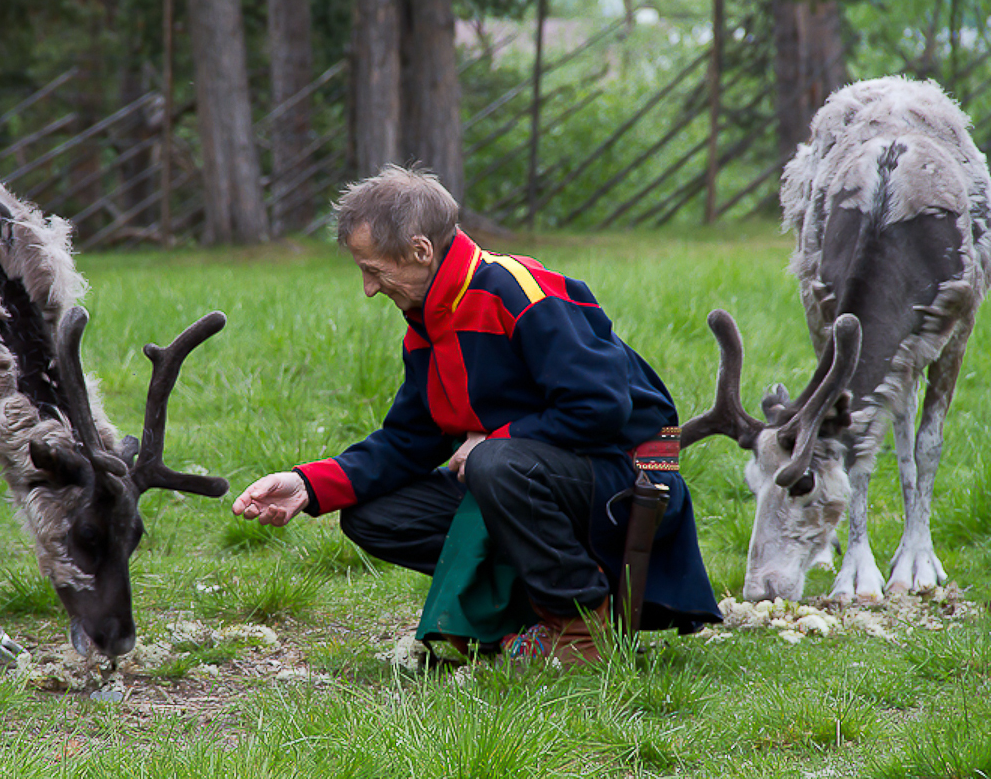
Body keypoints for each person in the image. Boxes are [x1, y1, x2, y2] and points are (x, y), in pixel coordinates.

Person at [232, 165, 720, 665]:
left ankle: (582, 626)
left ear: (421, 251)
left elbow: (601, 408)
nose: (369, 289)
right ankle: (525, 620)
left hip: (627, 483)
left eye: (374, 270)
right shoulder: (427, 322)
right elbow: (408, 441)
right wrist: (308, 485)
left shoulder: (520, 291)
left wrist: (492, 442)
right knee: (373, 515)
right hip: (533, 480)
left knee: (495, 464)